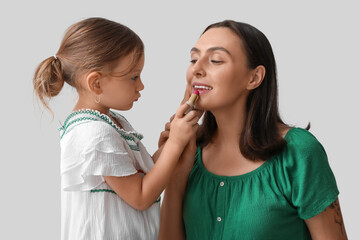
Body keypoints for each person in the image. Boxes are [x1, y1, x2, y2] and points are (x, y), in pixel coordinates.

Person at [159, 20, 347, 240]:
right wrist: (175, 171)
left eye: (216, 60)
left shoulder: (299, 152)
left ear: (254, 77)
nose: (196, 70)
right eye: (193, 59)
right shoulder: (190, 151)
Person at [33, 17, 200, 240]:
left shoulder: (110, 123)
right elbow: (140, 197)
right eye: (134, 76)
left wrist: (168, 148)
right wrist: (176, 144)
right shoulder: (93, 133)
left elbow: (138, 179)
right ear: (96, 83)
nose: (141, 85)